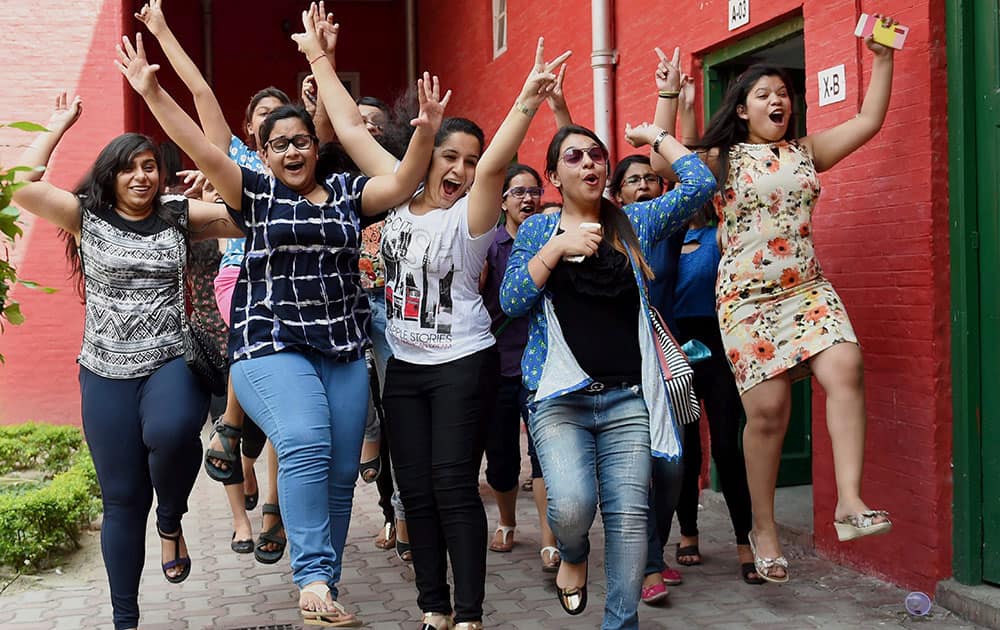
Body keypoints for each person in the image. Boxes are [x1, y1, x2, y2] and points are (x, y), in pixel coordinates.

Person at [117, 1, 449, 621]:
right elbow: (196, 135)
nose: (291, 152)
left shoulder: (350, 192)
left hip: (343, 345)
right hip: (271, 340)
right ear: (263, 154)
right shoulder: (254, 192)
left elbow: (404, 182)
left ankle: (325, 577)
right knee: (302, 438)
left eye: (300, 142)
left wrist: (426, 130)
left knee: (342, 461)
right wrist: (152, 89)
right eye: (278, 145)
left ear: (313, 147)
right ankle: (312, 582)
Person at [12, 93, 242, 630]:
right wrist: (58, 121)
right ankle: (125, 620)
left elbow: (249, 216)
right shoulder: (84, 216)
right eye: (129, 168)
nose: (142, 177)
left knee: (173, 430)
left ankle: (171, 519)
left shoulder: (178, 215)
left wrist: (219, 185)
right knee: (120, 500)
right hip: (103, 372)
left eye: (150, 168)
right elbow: (18, 182)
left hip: (168, 359)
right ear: (109, 175)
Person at [690, 19, 898, 582]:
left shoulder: (806, 152)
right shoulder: (722, 160)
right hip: (746, 300)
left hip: (806, 290)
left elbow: (869, 121)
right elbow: (669, 163)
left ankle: (849, 503)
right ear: (742, 110)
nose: (777, 99)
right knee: (769, 413)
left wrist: (881, 59)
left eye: (783, 93)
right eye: (764, 94)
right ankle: (763, 527)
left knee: (847, 365)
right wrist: (669, 100)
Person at [379, 37, 569, 630]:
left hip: (464, 358)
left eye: (468, 159)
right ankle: (432, 606)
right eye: (448, 156)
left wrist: (527, 100)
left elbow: (493, 168)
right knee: (415, 487)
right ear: (424, 155)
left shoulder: (472, 214)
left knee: (452, 482)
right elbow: (354, 134)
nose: (459, 169)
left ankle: (468, 614)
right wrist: (319, 60)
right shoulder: (393, 198)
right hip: (405, 366)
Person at [500, 112, 716, 628]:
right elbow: (511, 300)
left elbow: (701, 184)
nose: (589, 162)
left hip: (627, 399)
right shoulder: (537, 228)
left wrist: (656, 138)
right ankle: (573, 554)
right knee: (572, 509)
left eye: (596, 154)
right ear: (554, 176)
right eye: (573, 156)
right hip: (560, 399)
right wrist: (556, 249)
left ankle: (621, 623)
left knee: (627, 520)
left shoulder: (633, 223)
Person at [134, 0, 288, 563]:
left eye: (284, 118)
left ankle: (264, 489)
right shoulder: (239, 163)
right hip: (240, 280)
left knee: (282, 397)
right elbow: (201, 99)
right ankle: (230, 428)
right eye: (264, 118)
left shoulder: (304, 168)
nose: (276, 127)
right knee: (254, 295)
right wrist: (162, 31)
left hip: (292, 290)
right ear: (251, 130)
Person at [480, 164, 558, 571]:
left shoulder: (552, 239)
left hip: (544, 361)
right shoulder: (489, 246)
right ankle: (508, 521)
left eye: (533, 191)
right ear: (503, 201)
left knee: (544, 453)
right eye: (517, 193)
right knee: (503, 457)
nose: (527, 199)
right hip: (500, 362)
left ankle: (549, 538)